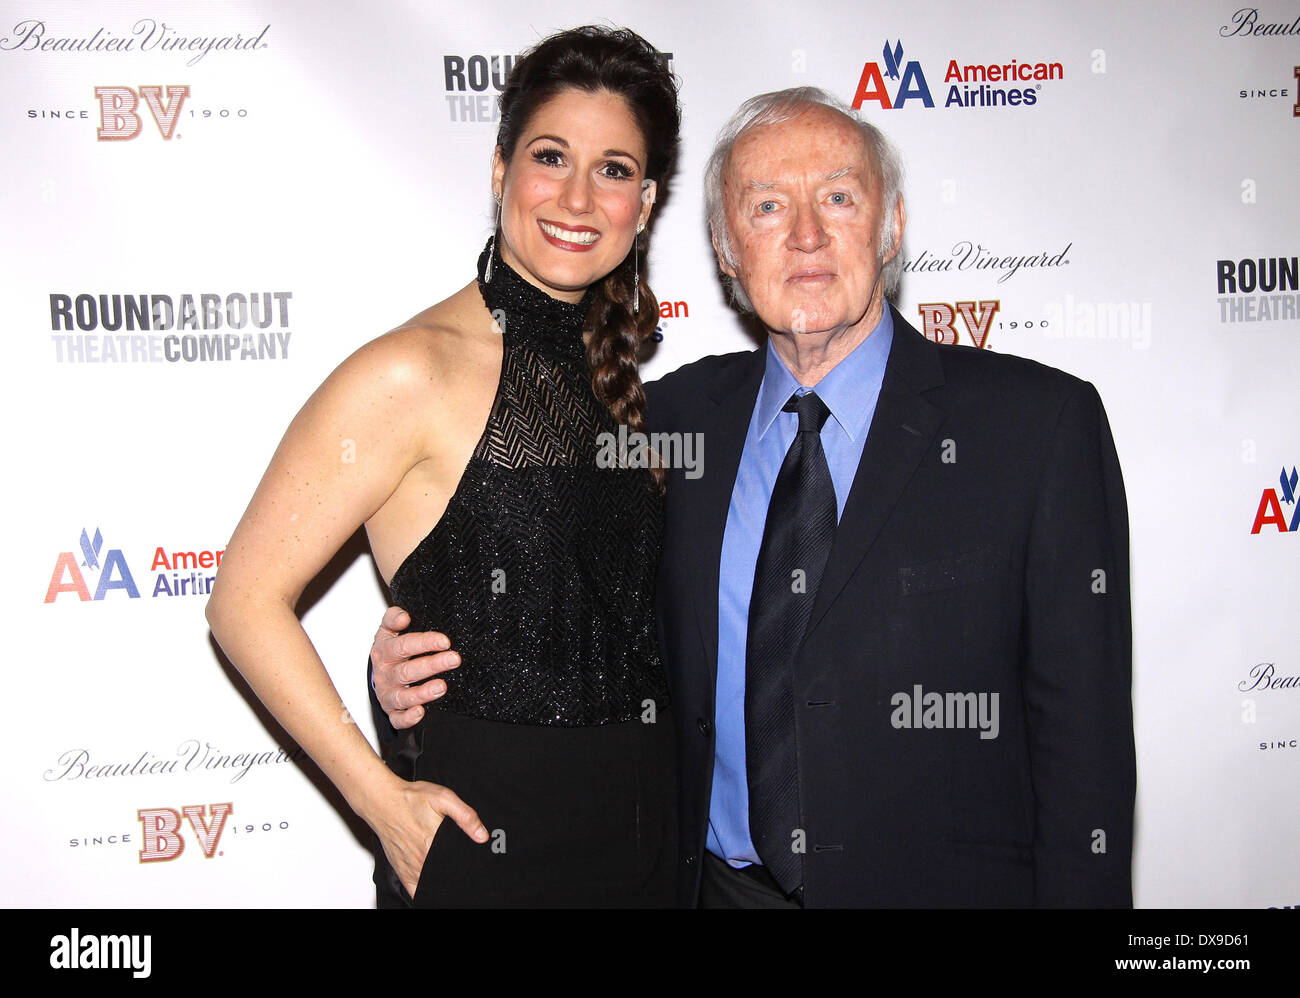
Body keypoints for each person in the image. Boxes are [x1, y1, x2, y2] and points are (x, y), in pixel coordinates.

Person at [371, 87, 1136, 907]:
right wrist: (407, 685)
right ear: (726, 249)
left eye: (839, 197)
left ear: (892, 226)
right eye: (767, 207)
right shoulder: (662, 425)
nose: (807, 234)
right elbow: (566, 635)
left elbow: (1083, 749)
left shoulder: (1037, 427)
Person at [207, 25, 681, 908]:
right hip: (487, 847)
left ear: (645, 204)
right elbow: (242, 598)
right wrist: (379, 800)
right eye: (552, 156)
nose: (579, 196)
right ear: (500, 169)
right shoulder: (408, 371)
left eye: (614, 169)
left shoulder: (624, 383)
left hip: (650, 840)